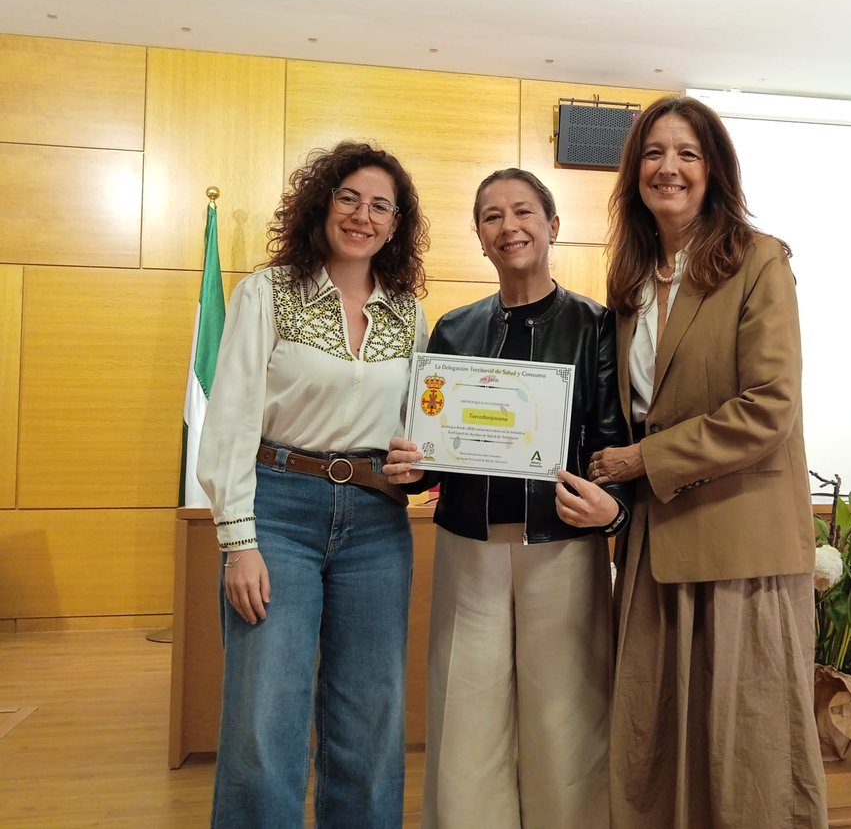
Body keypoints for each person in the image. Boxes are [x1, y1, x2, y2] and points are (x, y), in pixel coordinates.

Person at [588, 95, 830, 828]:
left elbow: (770, 407)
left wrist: (643, 458)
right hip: (654, 542)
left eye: (687, 154)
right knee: (654, 747)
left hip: (739, 543)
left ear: (714, 171)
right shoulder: (631, 280)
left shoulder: (759, 260)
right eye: (654, 153)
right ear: (634, 172)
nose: (669, 168)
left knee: (747, 753)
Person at [384, 167, 630, 829]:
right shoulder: (454, 330)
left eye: (523, 212)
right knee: (466, 712)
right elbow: (434, 455)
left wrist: (612, 509)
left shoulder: (597, 326)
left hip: (563, 546)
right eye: (492, 216)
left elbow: (613, 443)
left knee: (567, 716)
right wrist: (413, 471)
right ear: (479, 236)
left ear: (553, 226)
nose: (509, 226)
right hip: (470, 547)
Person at [197, 141, 430, 828]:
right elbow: (232, 417)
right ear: (321, 205)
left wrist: (416, 463)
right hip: (278, 512)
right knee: (266, 709)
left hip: (377, 522)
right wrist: (238, 542)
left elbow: (416, 424)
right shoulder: (267, 292)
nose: (363, 216)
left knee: (371, 713)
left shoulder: (409, 313)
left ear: (396, 224)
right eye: (348, 198)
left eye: (380, 206)